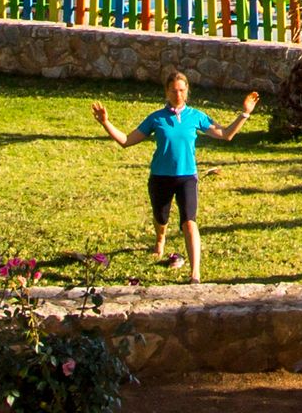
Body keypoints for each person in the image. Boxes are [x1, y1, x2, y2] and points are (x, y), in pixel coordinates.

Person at [91, 73, 259, 281]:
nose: (177, 94)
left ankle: (195, 273)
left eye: (181, 90)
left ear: (187, 91)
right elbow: (126, 140)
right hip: (160, 177)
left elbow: (226, 134)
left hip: (187, 177)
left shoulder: (195, 116)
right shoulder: (156, 118)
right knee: (161, 218)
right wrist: (105, 123)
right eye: (173, 90)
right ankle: (160, 239)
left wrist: (245, 113)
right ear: (167, 92)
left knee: (189, 222)